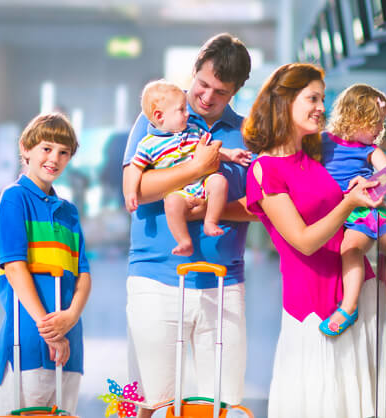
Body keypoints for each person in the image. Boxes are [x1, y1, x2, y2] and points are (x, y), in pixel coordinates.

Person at [121, 33, 254, 418]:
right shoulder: (159, 114)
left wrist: (211, 210)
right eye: (203, 84)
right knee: (144, 401)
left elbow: (261, 207)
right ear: (194, 69)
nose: (207, 97)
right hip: (154, 277)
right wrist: (195, 169)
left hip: (224, 283)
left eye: (221, 92)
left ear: (236, 91)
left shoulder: (245, 135)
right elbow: (138, 190)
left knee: (223, 404)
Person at [242, 63, 381, 417]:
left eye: (322, 97)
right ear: (284, 101)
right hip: (311, 309)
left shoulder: (315, 157)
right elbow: (303, 241)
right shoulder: (265, 169)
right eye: (312, 98)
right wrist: (349, 203)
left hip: (353, 299)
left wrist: (358, 193)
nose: (321, 106)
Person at [0, 113, 92, 415]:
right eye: (46, 148)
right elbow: (15, 269)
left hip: (69, 341)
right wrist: (52, 332)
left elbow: (83, 274)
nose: (54, 158)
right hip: (28, 339)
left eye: (63, 152)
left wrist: (70, 317)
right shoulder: (14, 199)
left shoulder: (68, 212)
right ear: (26, 148)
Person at [126, 80, 252, 256]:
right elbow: (135, 168)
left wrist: (230, 154)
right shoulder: (148, 144)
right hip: (180, 192)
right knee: (171, 204)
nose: (187, 114)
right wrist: (131, 192)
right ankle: (184, 240)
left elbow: (210, 150)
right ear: (160, 116)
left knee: (219, 182)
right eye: (181, 110)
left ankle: (210, 221)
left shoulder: (192, 130)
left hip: (202, 183)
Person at [319, 83, 386, 336]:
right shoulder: (322, 143)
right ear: (356, 117)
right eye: (377, 123)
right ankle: (350, 305)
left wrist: (381, 182)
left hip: (363, 213)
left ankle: (356, 306)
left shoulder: (371, 150)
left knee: (367, 249)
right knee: (344, 250)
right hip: (338, 213)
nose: (381, 130)